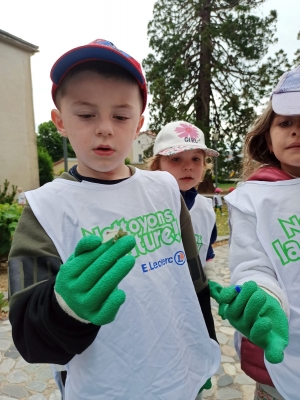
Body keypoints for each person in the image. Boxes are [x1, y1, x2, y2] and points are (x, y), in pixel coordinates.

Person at [8, 39, 220, 400]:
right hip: (104, 386)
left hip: (182, 375)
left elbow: (193, 281)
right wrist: (64, 308)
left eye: (120, 116)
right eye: (86, 114)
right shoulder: (45, 209)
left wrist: (206, 345)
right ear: (60, 120)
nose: (105, 128)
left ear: (138, 124)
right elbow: (29, 338)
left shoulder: (165, 189)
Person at [209, 65, 300, 400]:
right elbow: (252, 265)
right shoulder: (253, 197)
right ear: (267, 136)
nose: (296, 131)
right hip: (282, 357)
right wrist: (265, 299)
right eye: (285, 122)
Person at [148, 121, 220, 284]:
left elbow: (206, 249)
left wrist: (212, 278)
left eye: (196, 158)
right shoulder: (147, 206)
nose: (188, 166)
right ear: (156, 166)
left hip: (196, 294)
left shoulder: (206, 209)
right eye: (176, 159)